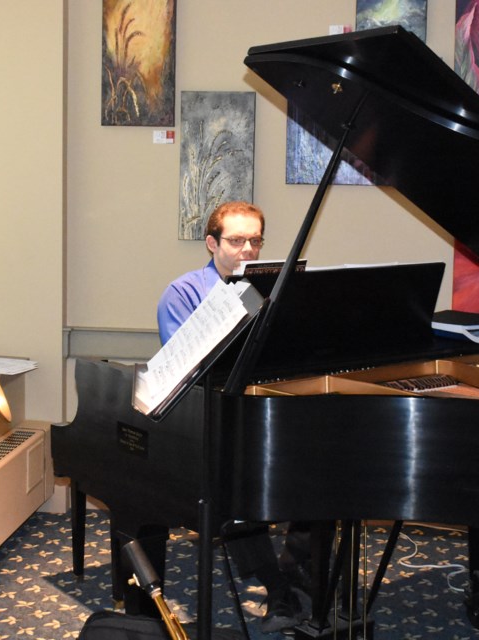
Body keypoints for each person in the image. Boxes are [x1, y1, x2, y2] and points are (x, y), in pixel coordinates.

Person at [156, 201, 309, 633]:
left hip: (264, 408)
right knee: (237, 481)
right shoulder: (183, 293)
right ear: (212, 243)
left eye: (255, 241)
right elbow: (190, 368)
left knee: (320, 475)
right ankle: (277, 586)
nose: (247, 250)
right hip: (206, 417)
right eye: (236, 240)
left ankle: (302, 581)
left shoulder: (276, 290)